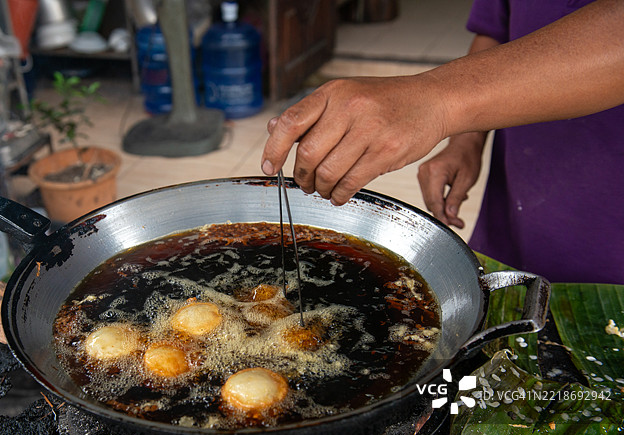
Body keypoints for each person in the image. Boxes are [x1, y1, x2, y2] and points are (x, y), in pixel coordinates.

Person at [260, 0, 624, 284]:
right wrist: (466, 139)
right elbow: (496, 30)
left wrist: (437, 100)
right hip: (516, 220)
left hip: (609, 249)